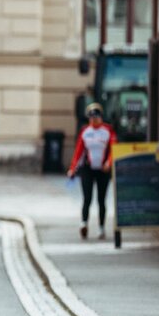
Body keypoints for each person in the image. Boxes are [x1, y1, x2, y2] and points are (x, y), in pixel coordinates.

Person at [67, 102, 116, 240]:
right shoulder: (85, 131)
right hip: (88, 169)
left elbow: (114, 148)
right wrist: (72, 169)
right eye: (91, 117)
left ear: (101, 117)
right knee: (87, 198)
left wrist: (109, 162)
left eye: (96, 117)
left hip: (103, 170)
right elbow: (79, 151)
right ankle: (84, 223)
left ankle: (101, 228)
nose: (94, 120)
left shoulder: (108, 130)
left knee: (101, 199)